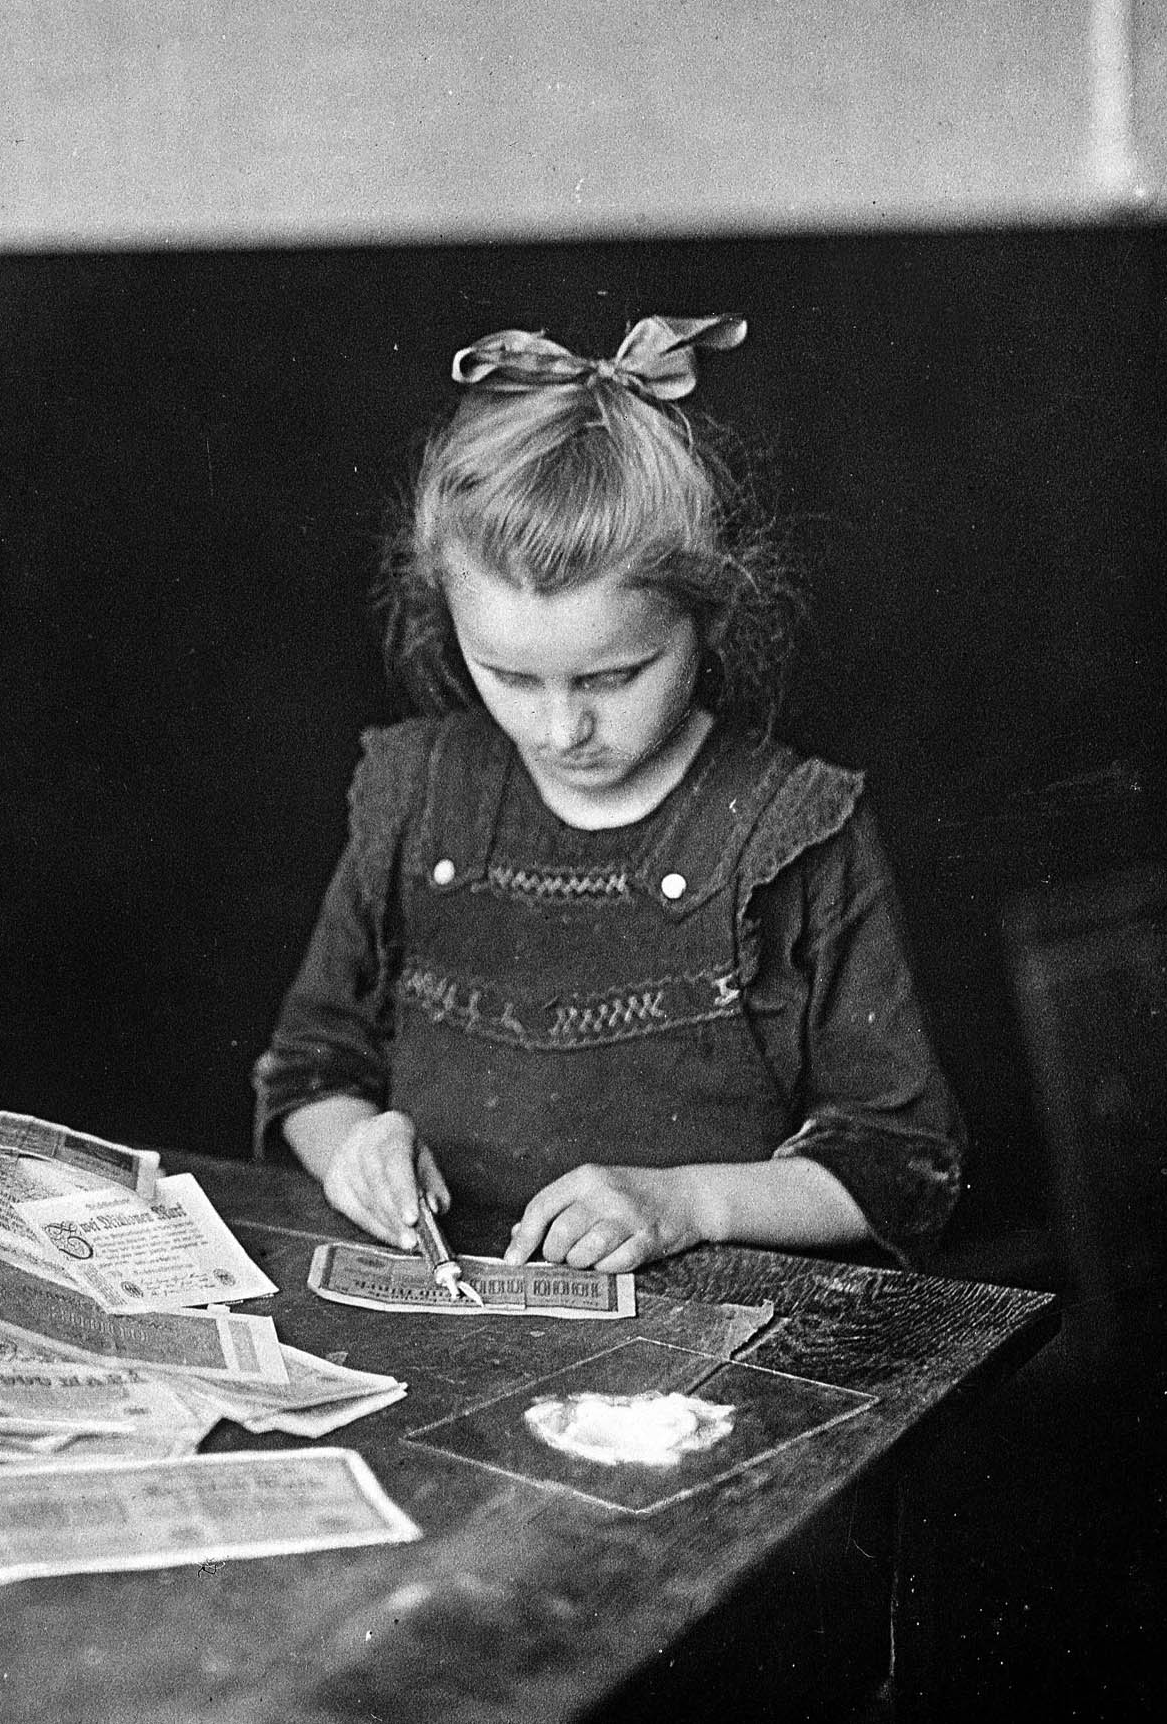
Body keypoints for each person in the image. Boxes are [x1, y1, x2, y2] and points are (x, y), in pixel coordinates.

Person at [253, 315, 963, 1273]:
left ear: (707, 620)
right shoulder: (416, 795)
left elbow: (901, 1159)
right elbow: (309, 1065)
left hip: (701, 1356)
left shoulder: (795, 831)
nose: (559, 731)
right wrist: (352, 1146)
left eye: (611, 677)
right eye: (507, 675)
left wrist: (687, 1202)